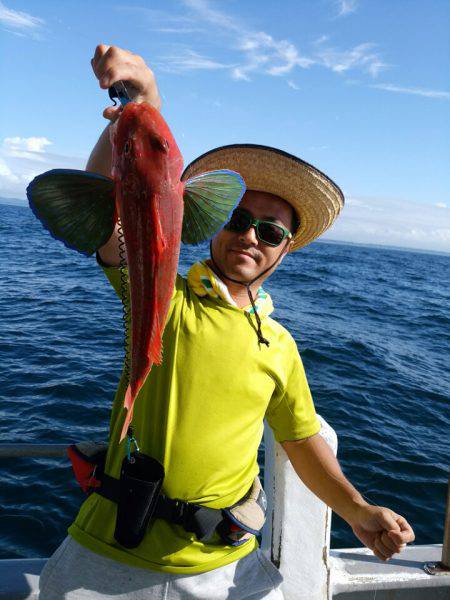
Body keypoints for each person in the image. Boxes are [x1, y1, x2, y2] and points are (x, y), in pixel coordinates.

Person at [38, 45, 415, 600]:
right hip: (112, 555)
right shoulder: (165, 293)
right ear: (210, 220)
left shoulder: (279, 344)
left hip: (228, 565)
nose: (249, 236)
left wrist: (357, 510)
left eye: (270, 231)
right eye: (238, 219)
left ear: (286, 250)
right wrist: (144, 100)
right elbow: (110, 211)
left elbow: (302, 436)